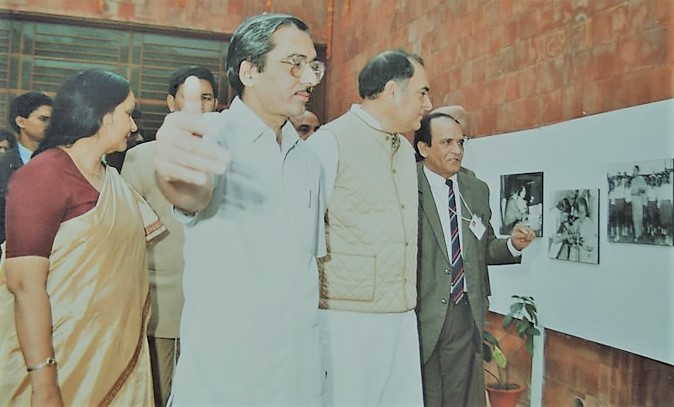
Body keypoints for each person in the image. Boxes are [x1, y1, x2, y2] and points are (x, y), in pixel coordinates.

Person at [153, 13, 326, 405]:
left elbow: (307, 266)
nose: (310, 79)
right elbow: (190, 194)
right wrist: (179, 177)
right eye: (295, 64)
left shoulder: (308, 160)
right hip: (227, 378)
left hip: (298, 376)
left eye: (313, 66)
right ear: (249, 72)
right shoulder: (213, 137)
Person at [0, 69, 163, 406]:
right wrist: (44, 383)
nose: (134, 126)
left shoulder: (112, 180)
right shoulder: (43, 176)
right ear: (103, 115)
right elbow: (25, 285)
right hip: (55, 363)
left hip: (112, 355)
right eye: (128, 114)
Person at [306, 49, 432, 406]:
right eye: (422, 92)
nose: (428, 104)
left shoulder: (405, 150)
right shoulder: (329, 142)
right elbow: (301, 235)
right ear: (393, 91)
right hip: (345, 320)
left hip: (401, 314)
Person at [414, 107, 535, 406]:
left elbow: (484, 246)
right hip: (419, 311)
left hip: (465, 311)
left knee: (462, 397)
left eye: (461, 142)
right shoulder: (406, 185)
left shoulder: (475, 189)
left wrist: (513, 245)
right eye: (447, 142)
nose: (457, 150)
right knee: (421, 394)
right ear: (424, 148)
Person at [121, 65, 219, 407]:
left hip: (218, 305)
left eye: (206, 98)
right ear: (171, 102)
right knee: (161, 393)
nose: (198, 106)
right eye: (189, 98)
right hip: (164, 305)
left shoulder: (230, 158)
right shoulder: (141, 157)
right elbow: (128, 235)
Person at [0, 91, 52, 247]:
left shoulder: (61, 162)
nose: (49, 125)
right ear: (21, 121)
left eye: (52, 120)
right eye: (43, 119)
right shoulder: (3, 164)